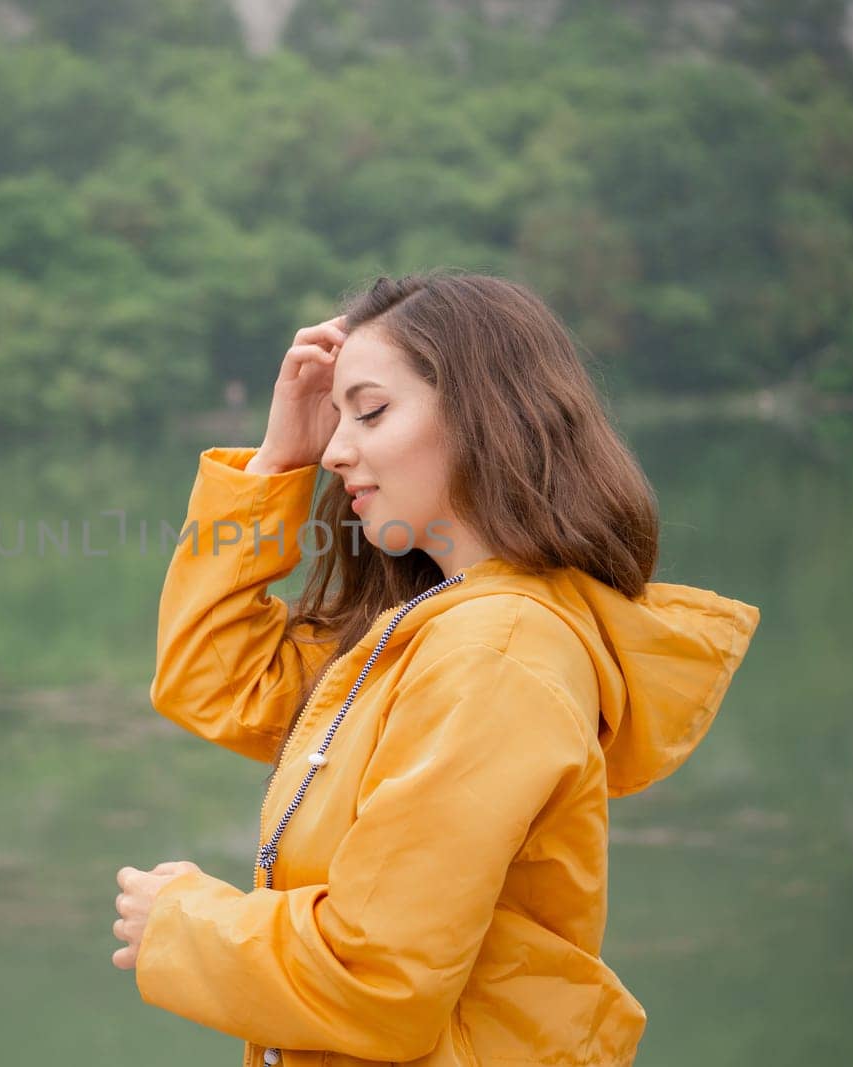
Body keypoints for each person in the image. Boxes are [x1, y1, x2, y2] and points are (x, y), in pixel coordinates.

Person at [109, 270, 760, 1067]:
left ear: (483, 412)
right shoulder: (430, 630)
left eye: (373, 411)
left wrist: (182, 923)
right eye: (337, 418)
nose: (337, 449)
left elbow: (379, 979)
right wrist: (279, 458)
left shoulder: (494, 654)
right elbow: (218, 679)